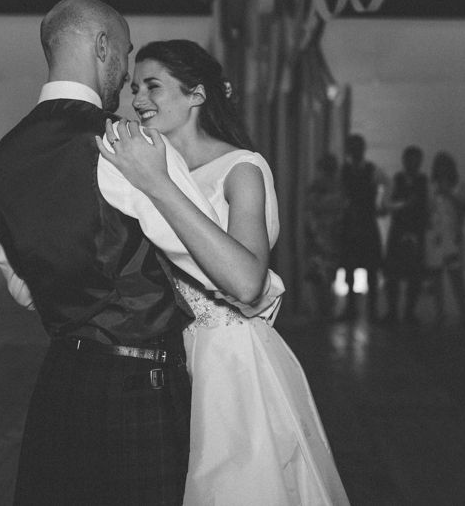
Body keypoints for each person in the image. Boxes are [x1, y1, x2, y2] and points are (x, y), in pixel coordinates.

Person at [0, 0, 280, 505]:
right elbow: (238, 280)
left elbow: (26, 289)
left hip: (58, 382)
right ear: (102, 47)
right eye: (124, 55)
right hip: (139, 383)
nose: (127, 82)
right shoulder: (125, 146)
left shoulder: (0, 159)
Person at [96, 40, 349, 505]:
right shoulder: (147, 163)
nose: (138, 100)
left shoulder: (242, 169)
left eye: (153, 86)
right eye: (134, 88)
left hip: (229, 361)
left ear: (197, 94)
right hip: (166, 358)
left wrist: (158, 184)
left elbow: (248, 281)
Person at [339, 133, 389, 321]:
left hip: (365, 221)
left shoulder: (372, 170)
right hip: (353, 221)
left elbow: (384, 187)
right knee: (351, 267)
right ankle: (352, 308)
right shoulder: (346, 170)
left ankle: (371, 309)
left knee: (371, 268)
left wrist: (381, 205)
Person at [381, 146, 428, 325]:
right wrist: (405, 205)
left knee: (414, 275)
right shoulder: (397, 180)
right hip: (399, 231)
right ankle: (393, 311)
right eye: (410, 160)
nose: (412, 164)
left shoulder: (424, 181)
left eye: (416, 160)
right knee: (393, 273)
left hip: (416, 232)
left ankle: (409, 312)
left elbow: (428, 206)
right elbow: (387, 205)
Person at [424, 151, 465, 330]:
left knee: (456, 276)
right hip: (435, 236)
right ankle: (440, 313)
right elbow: (428, 210)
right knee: (436, 277)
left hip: (452, 235)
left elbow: (464, 208)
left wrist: (448, 192)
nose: (442, 168)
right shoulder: (430, 185)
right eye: (439, 164)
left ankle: (464, 314)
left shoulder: (460, 185)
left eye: (445, 164)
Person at [304, 153, 346, 321]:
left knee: (325, 276)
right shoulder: (322, 187)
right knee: (320, 276)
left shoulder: (334, 187)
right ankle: (322, 310)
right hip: (322, 236)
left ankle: (324, 310)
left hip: (328, 236)